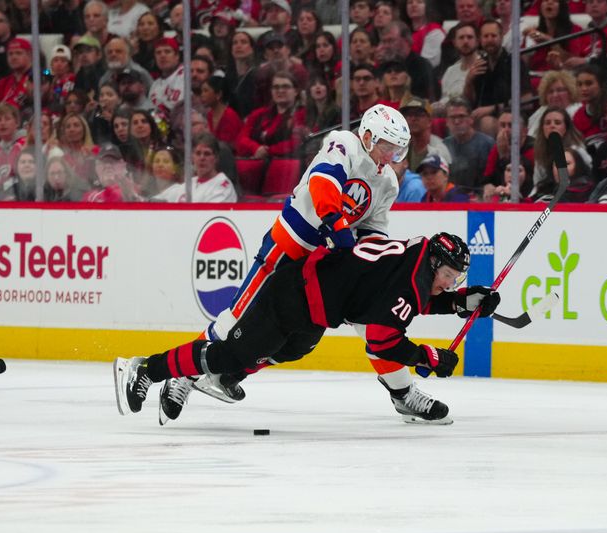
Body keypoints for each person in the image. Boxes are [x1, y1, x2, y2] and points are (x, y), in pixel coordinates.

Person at [157, 105, 457, 426]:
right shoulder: (343, 143)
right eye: (387, 146)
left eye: (398, 150)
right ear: (368, 136)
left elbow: (373, 233)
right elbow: (323, 184)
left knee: (370, 320)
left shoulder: (388, 184)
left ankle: (403, 393)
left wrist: (373, 269)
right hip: (288, 249)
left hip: (325, 267)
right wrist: (338, 226)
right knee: (237, 318)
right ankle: (182, 377)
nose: (391, 155)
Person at [115, 232, 501, 424]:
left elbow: (410, 302)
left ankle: (219, 375)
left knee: (293, 348)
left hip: (314, 308)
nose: (450, 282)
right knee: (226, 352)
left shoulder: (418, 256)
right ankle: (145, 368)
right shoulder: (411, 281)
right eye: (449, 276)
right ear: (435, 264)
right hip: (293, 295)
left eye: (456, 278)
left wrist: (463, 302)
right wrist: (429, 357)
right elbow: (383, 341)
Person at [443, 97, 495, 193]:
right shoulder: (443, 146)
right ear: (446, 122)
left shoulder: (487, 144)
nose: (457, 121)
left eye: (461, 116)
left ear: (471, 119)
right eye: (453, 117)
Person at [189, 133, 237, 202]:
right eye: (198, 153)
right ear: (192, 157)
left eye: (207, 154)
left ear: (216, 158)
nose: (202, 158)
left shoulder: (223, 187)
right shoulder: (190, 182)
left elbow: (211, 212)